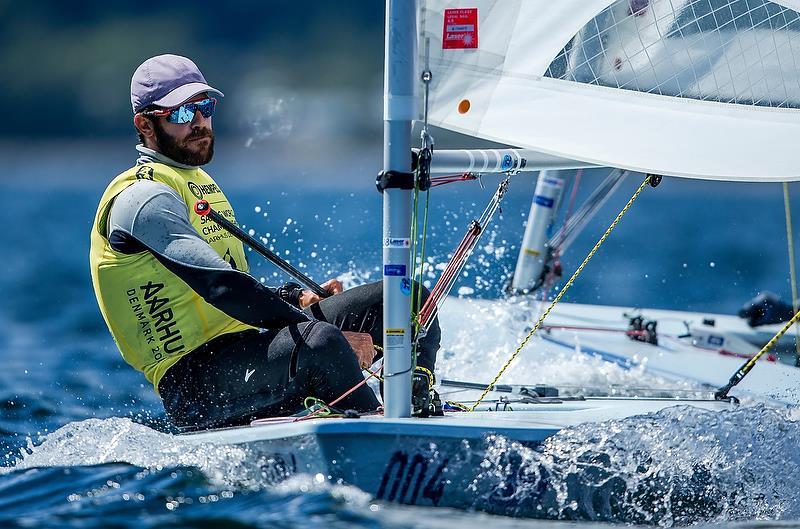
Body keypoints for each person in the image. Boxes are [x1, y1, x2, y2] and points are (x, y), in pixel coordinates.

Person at [89, 54, 440, 431]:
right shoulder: (141, 197)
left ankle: (418, 407)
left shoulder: (196, 182)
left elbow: (226, 279)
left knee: (404, 298)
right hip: (194, 385)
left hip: (244, 348)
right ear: (145, 124)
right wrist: (330, 333)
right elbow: (222, 286)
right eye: (180, 114)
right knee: (322, 343)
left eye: (204, 108)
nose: (199, 122)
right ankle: (382, 433)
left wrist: (296, 298)